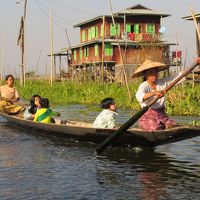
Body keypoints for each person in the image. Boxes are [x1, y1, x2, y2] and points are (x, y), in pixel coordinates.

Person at [132, 59, 181, 131]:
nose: (154, 74)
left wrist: (195, 63)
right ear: (145, 75)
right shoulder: (144, 86)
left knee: (171, 125)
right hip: (148, 115)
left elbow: (179, 76)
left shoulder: (162, 82)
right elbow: (140, 96)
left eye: (156, 72)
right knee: (154, 127)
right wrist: (154, 93)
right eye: (151, 72)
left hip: (161, 114)